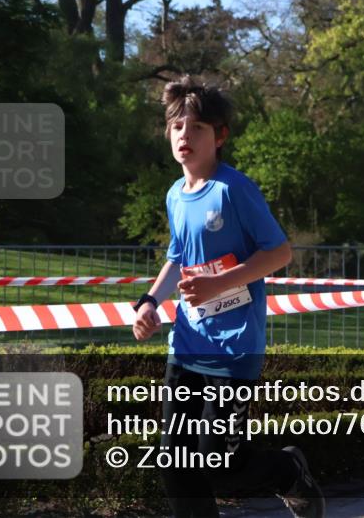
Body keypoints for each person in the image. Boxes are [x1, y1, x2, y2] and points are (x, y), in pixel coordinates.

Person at [131, 76, 324, 518]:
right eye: (177, 126)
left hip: (234, 350)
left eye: (197, 127)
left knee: (218, 465)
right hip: (187, 345)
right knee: (176, 463)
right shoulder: (175, 195)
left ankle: (288, 471)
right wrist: (149, 301)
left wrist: (219, 283)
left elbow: (279, 252)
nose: (185, 135)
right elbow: (177, 257)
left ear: (219, 136)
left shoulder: (233, 189)